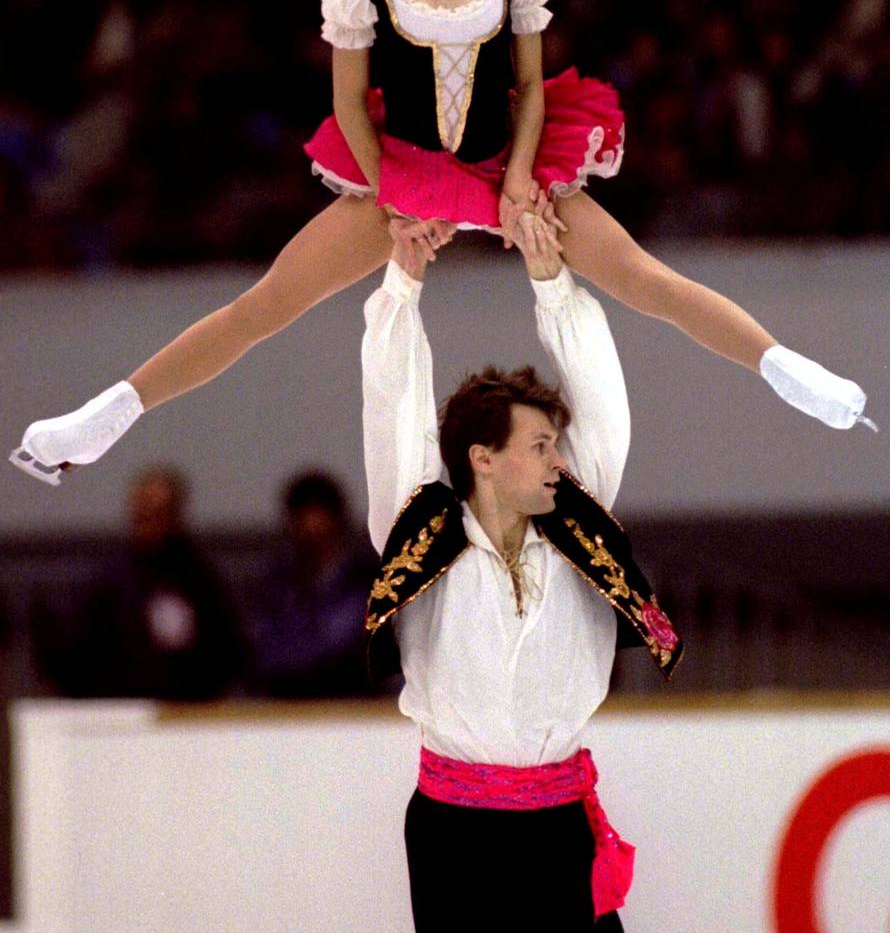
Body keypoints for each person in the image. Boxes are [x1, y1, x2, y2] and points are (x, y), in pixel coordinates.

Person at [11, 0, 871, 485]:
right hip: (406, 166)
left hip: (513, 159)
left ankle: (791, 372)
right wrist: (392, 192)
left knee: (648, 279)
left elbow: (530, 84)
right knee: (264, 304)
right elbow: (351, 104)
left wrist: (521, 181)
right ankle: (104, 415)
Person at [363, 205, 679, 930]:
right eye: (538, 445)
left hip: (557, 823)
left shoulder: (578, 531)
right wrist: (402, 288)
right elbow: (392, 409)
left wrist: (553, 283)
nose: (557, 460)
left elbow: (607, 409)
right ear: (482, 457)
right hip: (453, 833)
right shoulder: (419, 534)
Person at [31, 465, 245, 699]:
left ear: (175, 516)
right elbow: (82, 650)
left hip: (188, 706)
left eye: (158, 514)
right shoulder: (107, 581)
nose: (148, 523)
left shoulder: (200, 579)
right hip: (121, 707)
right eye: (142, 514)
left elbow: (224, 647)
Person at [249, 469, 376, 697]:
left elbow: (344, 646)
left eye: (319, 519)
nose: (311, 530)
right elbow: (263, 647)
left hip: (353, 702)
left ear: (337, 522)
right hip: (282, 701)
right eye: (301, 520)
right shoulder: (277, 583)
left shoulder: (366, 580)